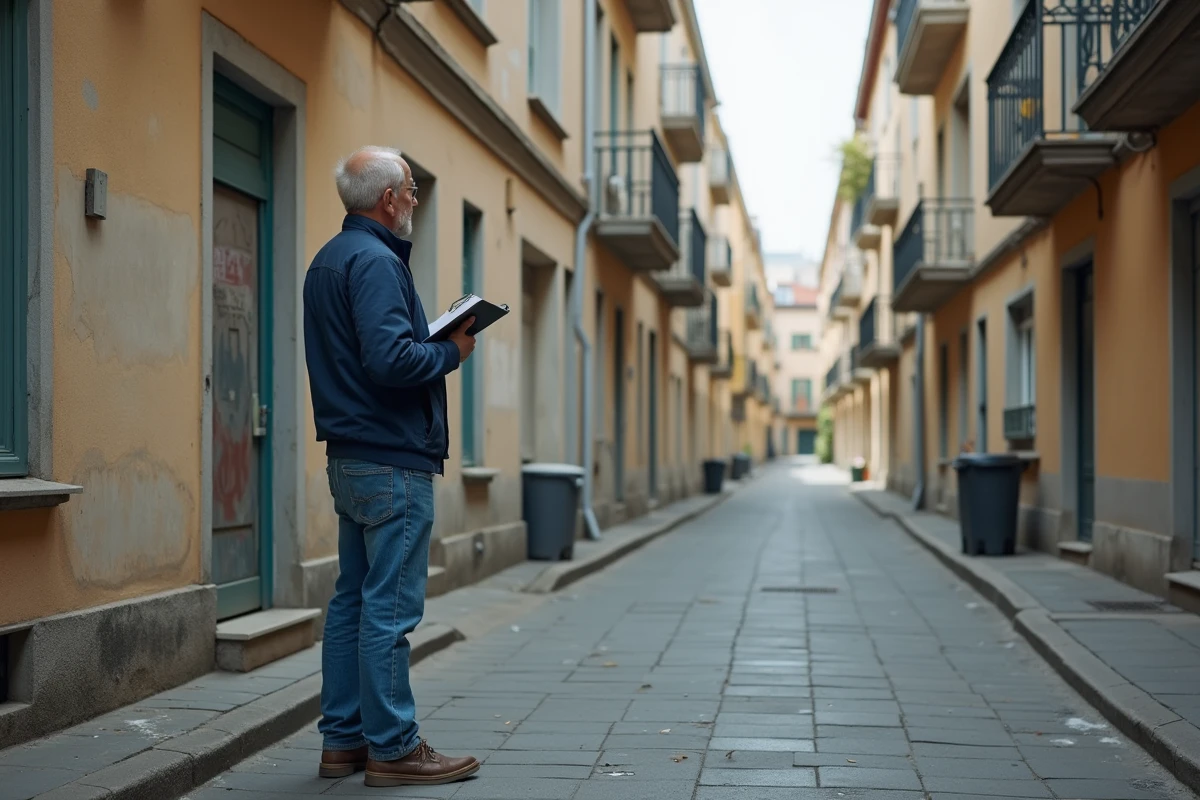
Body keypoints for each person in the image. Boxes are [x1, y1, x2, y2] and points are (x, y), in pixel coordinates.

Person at [303, 145, 480, 788]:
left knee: (352, 602)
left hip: (351, 459)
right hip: (391, 460)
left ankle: (343, 743)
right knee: (390, 609)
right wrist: (451, 351)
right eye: (409, 189)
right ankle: (395, 747)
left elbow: (362, 357)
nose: (413, 199)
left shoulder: (329, 260)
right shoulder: (376, 261)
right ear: (387, 200)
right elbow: (389, 362)